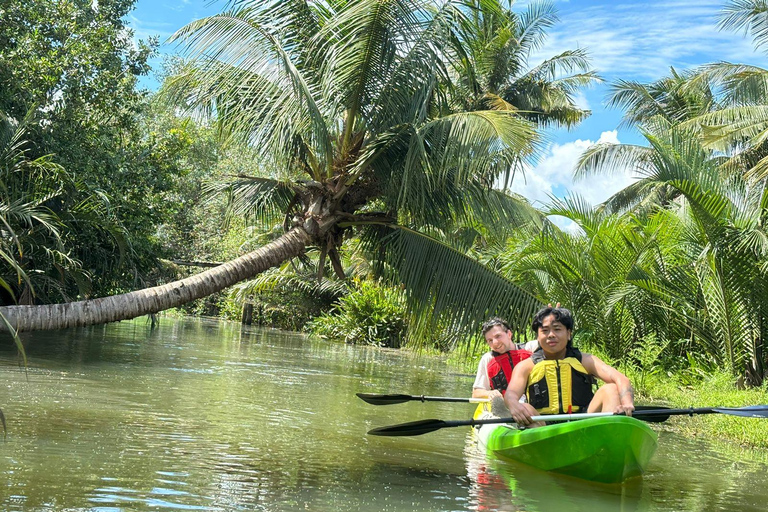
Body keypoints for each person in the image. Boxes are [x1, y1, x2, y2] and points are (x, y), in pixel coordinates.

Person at [503, 306, 635, 426]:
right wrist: (514, 405)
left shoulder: (586, 360)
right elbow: (511, 394)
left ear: (569, 333)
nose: (551, 335)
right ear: (538, 336)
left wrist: (627, 403)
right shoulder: (526, 366)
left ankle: (609, 438)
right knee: (525, 407)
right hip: (542, 427)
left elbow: (621, 379)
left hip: (583, 422)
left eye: (557, 329)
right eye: (545, 331)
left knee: (611, 389)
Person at [472, 317, 538, 400]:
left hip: (535, 402)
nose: (495, 343)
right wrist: (489, 393)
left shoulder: (532, 347)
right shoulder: (488, 359)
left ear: (509, 334)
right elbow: (476, 392)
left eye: (498, 336)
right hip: (506, 407)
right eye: (490, 340)